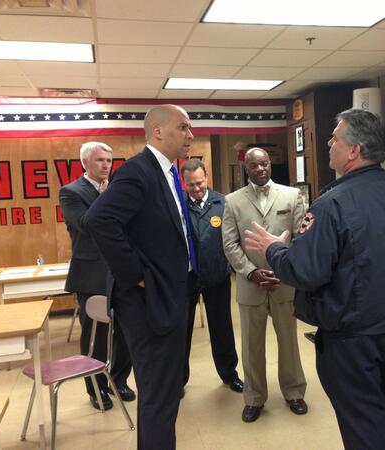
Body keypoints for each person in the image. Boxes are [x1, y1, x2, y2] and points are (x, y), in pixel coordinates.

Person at [244, 109, 385, 450]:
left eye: (335, 138)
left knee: (363, 422)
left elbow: (305, 271)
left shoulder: (331, 204)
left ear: (354, 150)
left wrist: (274, 249)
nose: (328, 143)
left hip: (351, 336)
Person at [84, 105, 196, 450]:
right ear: (158, 131)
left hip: (174, 291)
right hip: (148, 299)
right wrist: (135, 275)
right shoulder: (138, 171)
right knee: (159, 394)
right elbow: (99, 220)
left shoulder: (168, 172)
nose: (190, 135)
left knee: (166, 390)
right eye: (183, 127)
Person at [222, 147, 308, 423]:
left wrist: (285, 268)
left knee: (289, 341)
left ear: (270, 164)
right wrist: (251, 272)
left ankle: (294, 392)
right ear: (246, 168)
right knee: (252, 346)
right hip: (251, 285)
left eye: (264, 164)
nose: (260, 169)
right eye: (254, 165)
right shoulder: (232, 201)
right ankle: (254, 398)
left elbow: (301, 238)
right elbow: (230, 244)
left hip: (284, 282)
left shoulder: (292, 196)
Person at [59, 141, 134, 410]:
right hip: (91, 275)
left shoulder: (116, 189)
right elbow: (87, 225)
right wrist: (105, 199)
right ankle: (96, 388)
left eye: (109, 160)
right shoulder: (71, 192)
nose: (106, 165)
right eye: (100, 160)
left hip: (121, 271)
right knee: (97, 336)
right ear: (85, 163)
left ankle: (118, 379)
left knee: (127, 331)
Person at [180, 158, 243, 394]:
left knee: (222, 327)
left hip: (217, 275)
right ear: (183, 183)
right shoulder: (178, 204)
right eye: (191, 185)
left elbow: (233, 237)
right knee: (182, 329)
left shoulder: (223, 202)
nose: (196, 188)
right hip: (187, 278)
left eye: (199, 183)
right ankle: (178, 380)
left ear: (206, 176)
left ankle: (229, 374)